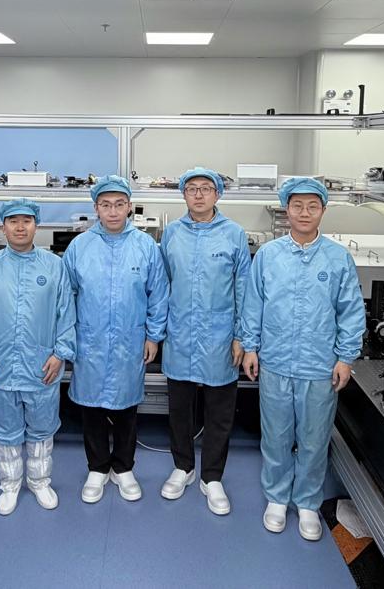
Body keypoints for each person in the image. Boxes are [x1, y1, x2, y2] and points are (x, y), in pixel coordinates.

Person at [241, 176, 366, 541]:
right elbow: (253, 304)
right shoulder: (268, 256)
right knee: (276, 435)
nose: (304, 213)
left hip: (319, 365)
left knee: (314, 437)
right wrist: (250, 347)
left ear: (323, 210)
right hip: (276, 361)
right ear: (287, 210)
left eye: (312, 206)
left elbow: (350, 311)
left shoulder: (338, 258)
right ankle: (277, 498)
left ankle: (308, 502)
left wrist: (346, 358)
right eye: (297, 206)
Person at [0, 198, 76, 515]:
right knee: (4, 429)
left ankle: (40, 481)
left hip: (42, 366)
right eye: (13, 221)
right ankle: (10, 484)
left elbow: (66, 314)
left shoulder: (54, 266)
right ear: (3, 227)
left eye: (26, 221)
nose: (20, 227)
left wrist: (61, 354)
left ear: (35, 226)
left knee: (42, 428)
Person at [63, 175, 169, 504]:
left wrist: (153, 336)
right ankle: (97, 467)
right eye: (106, 205)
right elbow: (66, 297)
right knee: (91, 407)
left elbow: (158, 294)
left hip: (130, 339)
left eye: (119, 204)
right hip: (90, 339)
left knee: (127, 406)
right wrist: (68, 338)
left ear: (129, 208)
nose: (112, 211)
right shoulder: (80, 247)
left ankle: (123, 467)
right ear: (96, 208)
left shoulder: (145, 246)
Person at [159, 167, 251, 515]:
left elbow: (244, 289)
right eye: (192, 188)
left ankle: (212, 477)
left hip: (220, 336)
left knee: (219, 412)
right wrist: (158, 331)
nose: (198, 194)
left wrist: (242, 336)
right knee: (179, 410)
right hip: (180, 333)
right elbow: (163, 284)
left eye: (206, 188)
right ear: (184, 195)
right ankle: (183, 467)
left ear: (217, 194)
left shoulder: (234, 234)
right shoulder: (172, 234)